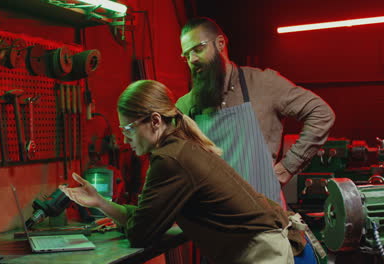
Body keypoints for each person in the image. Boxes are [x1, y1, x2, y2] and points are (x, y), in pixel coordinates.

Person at [60, 80, 297, 264]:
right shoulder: (181, 147)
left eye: (129, 129)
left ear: (155, 121)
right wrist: (100, 202)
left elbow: (140, 233)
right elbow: (146, 218)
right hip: (262, 245)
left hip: (261, 253)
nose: (124, 138)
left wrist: (122, 216)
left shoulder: (170, 160)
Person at [176, 17, 334, 263]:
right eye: (186, 55)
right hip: (222, 240)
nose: (192, 59)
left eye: (198, 48)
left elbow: (321, 113)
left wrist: (285, 168)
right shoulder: (186, 107)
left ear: (219, 44)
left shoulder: (263, 84)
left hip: (270, 234)